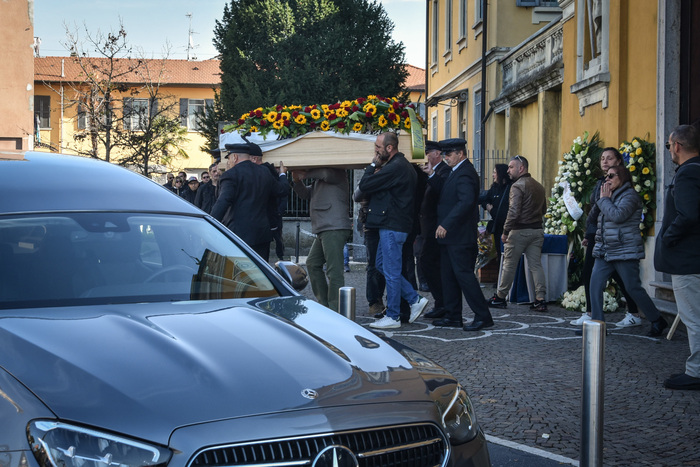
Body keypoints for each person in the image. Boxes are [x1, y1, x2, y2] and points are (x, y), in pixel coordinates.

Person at [359, 132, 428, 329]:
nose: (376, 151)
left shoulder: (396, 167)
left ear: (390, 148)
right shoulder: (399, 166)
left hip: (392, 225)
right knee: (382, 265)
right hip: (392, 224)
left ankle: (394, 315)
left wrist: (372, 165)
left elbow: (365, 185)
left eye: (378, 147)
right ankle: (414, 299)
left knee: (390, 270)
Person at [588, 164, 667, 337]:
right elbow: (592, 218)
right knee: (594, 285)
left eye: (611, 176)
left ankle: (656, 319)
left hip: (624, 251)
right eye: (606, 176)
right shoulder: (607, 195)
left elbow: (618, 216)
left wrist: (604, 201)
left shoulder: (630, 196)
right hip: (605, 250)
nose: (607, 179)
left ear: (622, 178)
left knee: (633, 288)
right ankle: (598, 326)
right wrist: (599, 199)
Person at [427, 138, 494, 331]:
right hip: (451, 236)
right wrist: (432, 175)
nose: (446, 158)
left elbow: (464, 202)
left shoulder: (465, 173)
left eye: (449, 154)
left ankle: (483, 316)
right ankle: (453, 315)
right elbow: (447, 194)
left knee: (464, 276)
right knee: (448, 276)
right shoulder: (457, 171)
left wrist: (446, 224)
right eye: (445, 154)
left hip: (459, 236)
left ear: (460, 154)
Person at [571, 148, 640, 327]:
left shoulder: (622, 187)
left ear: (618, 161)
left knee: (622, 279)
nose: (604, 161)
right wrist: (588, 234)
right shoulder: (601, 183)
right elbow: (595, 210)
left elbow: (614, 212)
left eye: (609, 158)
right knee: (590, 274)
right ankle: (593, 313)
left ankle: (634, 313)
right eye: (602, 158)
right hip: (599, 235)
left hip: (616, 238)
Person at [655, 124, 700, 390]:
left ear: (677, 146)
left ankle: (696, 372)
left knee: (693, 317)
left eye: (670, 145)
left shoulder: (687, 175)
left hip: (688, 258)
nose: (670, 149)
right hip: (693, 256)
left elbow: (689, 214)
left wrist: (668, 238)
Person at [488, 155, 548, 311]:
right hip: (537, 230)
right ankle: (540, 299)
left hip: (519, 231)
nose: (508, 170)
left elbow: (513, 212)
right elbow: (544, 210)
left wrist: (505, 231)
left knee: (509, 265)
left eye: (511, 167)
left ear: (521, 168)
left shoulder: (517, 186)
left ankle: (500, 297)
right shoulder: (539, 186)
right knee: (536, 266)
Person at [211, 143, 287, 261]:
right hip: (261, 235)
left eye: (229, 158)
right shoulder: (264, 172)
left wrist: (211, 225)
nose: (229, 162)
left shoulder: (231, 175)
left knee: (239, 274)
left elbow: (223, 201)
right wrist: (282, 174)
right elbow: (282, 190)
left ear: (235, 157)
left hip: (238, 235)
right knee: (260, 275)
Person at [292, 168, 352, 312]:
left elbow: (326, 173)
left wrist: (305, 174)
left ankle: (335, 308)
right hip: (325, 227)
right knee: (312, 263)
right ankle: (325, 304)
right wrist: (296, 181)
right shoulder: (318, 181)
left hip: (334, 227)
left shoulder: (337, 172)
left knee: (334, 271)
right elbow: (305, 194)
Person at [419, 140, 451, 319]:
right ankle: (441, 302)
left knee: (429, 263)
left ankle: (443, 302)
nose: (426, 155)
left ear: (437, 154)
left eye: (428, 152)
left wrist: (431, 174)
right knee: (428, 263)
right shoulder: (431, 172)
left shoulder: (444, 171)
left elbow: (443, 193)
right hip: (428, 227)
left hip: (437, 227)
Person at [353, 185, 386, 317]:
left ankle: (381, 298)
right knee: (373, 264)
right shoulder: (368, 178)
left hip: (385, 222)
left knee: (383, 264)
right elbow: (356, 196)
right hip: (370, 225)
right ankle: (374, 301)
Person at [479, 163, 511, 262]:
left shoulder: (509, 189)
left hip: (506, 230)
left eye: (494, 173)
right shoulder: (494, 188)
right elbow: (485, 199)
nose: (493, 175)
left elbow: (502, 213)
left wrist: (492, 210)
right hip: (497, 230)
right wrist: (488, 206)